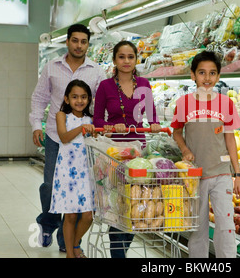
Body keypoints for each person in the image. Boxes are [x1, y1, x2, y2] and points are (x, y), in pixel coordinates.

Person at [29, 24, 107, 251]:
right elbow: (39, 98)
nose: (79, 45)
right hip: (56, 135)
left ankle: (70, 242)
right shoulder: (51, 67)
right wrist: (36, 125)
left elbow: (100, 104)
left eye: (84, 41)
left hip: (84, 142)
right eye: (75, 40)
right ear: (68, 41)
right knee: (50, 185)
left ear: (88, 44)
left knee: (78, 189)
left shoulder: (97, 70)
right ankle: (48, 221)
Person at [170, 50, 240, 258]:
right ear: (193, 75)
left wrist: (237, 175)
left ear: (218, 76)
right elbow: (177, 132)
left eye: (212, 73)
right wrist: (185, 149)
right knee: (198, 228)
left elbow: (230, 139)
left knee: (226, 226)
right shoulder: (183, 103)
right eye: (202, 73)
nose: (207, 78)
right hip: (195, 176)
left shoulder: (226, 104)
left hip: (221, 173)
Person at [93, 40, 161, 257]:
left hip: (138, 151)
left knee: (134, 204)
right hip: (113, 151)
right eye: (121, 57)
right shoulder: (105, 86)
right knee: (117, 205)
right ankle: (118, 254)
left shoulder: (144, 83)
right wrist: (110, 127)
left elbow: (152, 117)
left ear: (136, 59)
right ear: (114, 60)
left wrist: (154, 125)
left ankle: (121, 250)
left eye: (130, 57)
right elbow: (97, 121)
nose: (126, 61)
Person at [49, 79, 95, 258]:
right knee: (69, 216)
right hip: (66, 171)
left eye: (84, 97)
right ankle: (69, 253)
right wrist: (82, 128)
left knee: (88, 216)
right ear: (67, 99)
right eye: (75, 97)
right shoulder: (62, 116)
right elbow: (64, 137)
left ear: (89, 99)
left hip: (85, 171)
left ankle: (75, 244)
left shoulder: (91, 119)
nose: (79, 101)